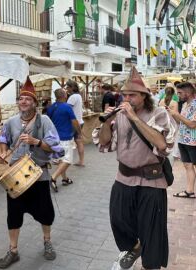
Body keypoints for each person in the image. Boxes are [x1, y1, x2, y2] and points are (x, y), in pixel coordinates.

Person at [95, 66, 177, 270]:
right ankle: (135, 247)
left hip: (152, 181)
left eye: (132, 94)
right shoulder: (119, 115)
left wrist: (134, 117)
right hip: (123, 178)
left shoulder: (158, 113)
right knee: (118, 220)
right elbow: (104, 144)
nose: (127, 98)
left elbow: (162, 144)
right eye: (124, 94)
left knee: (151, 230)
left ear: (144, 96)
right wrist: (107, 123)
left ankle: (150, 265)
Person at [0, 77, 63, 268]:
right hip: (16, 175)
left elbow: (57, 149)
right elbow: (3, 137)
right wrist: (3, 152)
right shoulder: (10, 122)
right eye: (20, 98)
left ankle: (47, 242)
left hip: (38, 175)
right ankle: (13, 250)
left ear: (34, 103)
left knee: (45, 212)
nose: (23, 102)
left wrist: (37, 142)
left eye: (27, 99)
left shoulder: (45, 121)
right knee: (13, 214)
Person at [47, 88, 82, 191]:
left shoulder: (51, 107)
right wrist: (79, 133)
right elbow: (75, 122)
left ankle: (65, 179)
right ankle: (53, 178)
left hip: (54, 138)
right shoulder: (67, 107)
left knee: (62, 160)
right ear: (64, 95)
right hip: (65, 137)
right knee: (67, 160)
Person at [166, 82, 196, 198]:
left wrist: (176, 115)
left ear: (188, 93)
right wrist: (172, 114)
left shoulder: (195, 105)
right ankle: (190, 191)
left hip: (193, 141)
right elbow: (181, 123)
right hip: (183, 140)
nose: (178, 95)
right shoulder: (184, 105)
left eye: (180, 93)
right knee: (188, 166)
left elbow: (192, 125)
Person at [65, 79, 85, 166]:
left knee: (66, 142)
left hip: (73, 123)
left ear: (71, 87)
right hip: (80, 122)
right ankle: (81, 161)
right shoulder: (79, 96)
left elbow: (67, 110)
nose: (66, 89)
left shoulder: (72, 97)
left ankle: (65, 161)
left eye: (67, 87)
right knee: (79, 141)